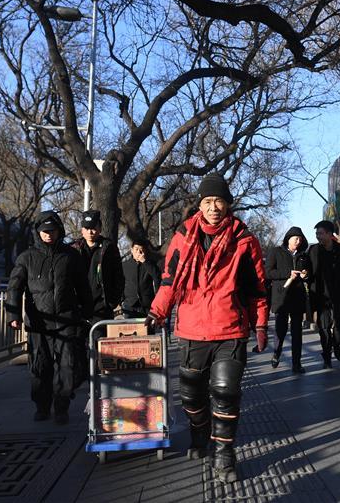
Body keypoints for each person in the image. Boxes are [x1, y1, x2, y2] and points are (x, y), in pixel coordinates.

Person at [145, 173, 268, 484]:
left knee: (226, 393)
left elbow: (257, 289)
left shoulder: (245, 240)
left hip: (230, 329)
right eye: (208, 201)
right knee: (192, 398)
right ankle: (199, 432)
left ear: (228, 204)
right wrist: (156, 312)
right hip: (191, 330)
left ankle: (225, 454)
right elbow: (169, 282)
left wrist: (262, 324)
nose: (214, 207)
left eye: (220, 201)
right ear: (200, 205)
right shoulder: (182, 238)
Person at [6, 210, 92, 424]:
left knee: (68, 366)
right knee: (40, 367)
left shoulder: (71, 256)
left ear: (59, 231)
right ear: (38, 232)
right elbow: (14, 287)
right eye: (44, 231)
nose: (48, 235)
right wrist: (13, 314)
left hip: (68, 319)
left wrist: (87, 314)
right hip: (38, 321)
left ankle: (61, 406)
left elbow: (83, 287)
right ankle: (42, 406)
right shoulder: (26, 257)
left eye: (52, 231)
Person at [307, 220, 340, 369]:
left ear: (329, 234)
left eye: (320, 233)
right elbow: (308, 270)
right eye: (316, 234)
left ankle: (335, 343)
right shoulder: (313, 251)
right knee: (324, 327)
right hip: (321, 296)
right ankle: (327, 356)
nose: (318, 236)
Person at [265, 227, 312, 374]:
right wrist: (287, 274)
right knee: (281, 329)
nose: (298, 241)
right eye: (295, 238)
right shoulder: (276, 251)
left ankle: (296, 364)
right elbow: (268, 272)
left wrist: (306, 275)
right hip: (281, 297)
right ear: (288, 238)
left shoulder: (304, 255)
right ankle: (276, 353)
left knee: (297, 332)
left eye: (300, 239)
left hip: (298, 298)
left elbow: (310, 273)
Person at [71, 210, 125, 321]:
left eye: (93, 228)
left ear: (100, 228)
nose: (90, 232)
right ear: (82, 230)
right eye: (86, 229)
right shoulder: (74, 249)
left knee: (98, 337)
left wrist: (113, 302)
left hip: (102, 306)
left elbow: (118, 276)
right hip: (78, 305)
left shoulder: (109, 248)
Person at [121, 237, 160, 318]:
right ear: (132, 250)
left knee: (147, 330)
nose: (139, 252)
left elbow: (157, 276)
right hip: (130, 305)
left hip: (146, 305)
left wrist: (144, 262)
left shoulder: (150, 264)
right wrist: (121, 300)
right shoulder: (124, 265)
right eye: (136, 249)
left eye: (141, 250)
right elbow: (120, 283)